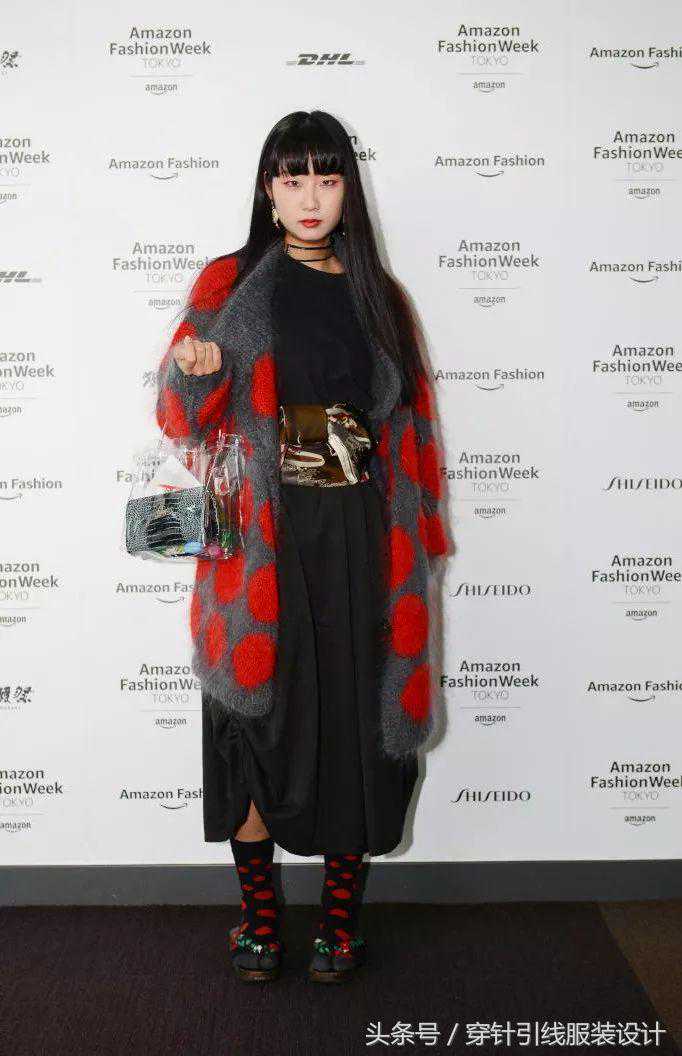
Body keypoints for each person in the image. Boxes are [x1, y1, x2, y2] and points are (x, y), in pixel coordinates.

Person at [155, 110, 449, 984]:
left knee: (357, 724)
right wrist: (196, 377)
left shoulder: (382, 296)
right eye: (293, 179)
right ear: (268, 189)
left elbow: (414, 433)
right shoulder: (229, 284)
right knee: (251, 727)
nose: (310, 197)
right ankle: (259, 921)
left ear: (348, 188)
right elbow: (179, 418)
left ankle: (339, 923)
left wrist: (422, 541)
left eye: (327, 177)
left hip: (360, 539)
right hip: (259, 543)